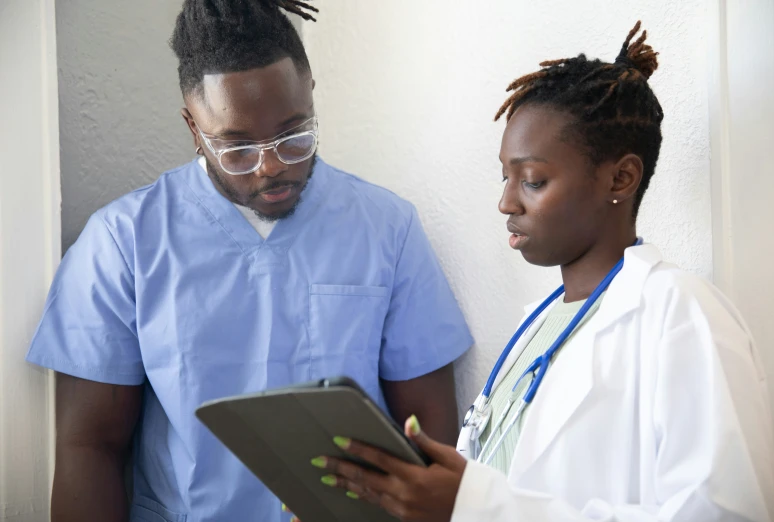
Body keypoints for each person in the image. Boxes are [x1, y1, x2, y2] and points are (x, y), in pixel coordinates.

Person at [300, 22, 774, 522]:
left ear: (621, 177)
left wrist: (478, 507)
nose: (506, 202)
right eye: (505, 177)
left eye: (532, 180)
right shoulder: (539, 327)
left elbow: (729, 513)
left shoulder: (681, 313)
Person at [25, 1, 473, 521]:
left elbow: (434, 438)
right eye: (237, 149)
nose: (270, 168)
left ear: (310, 96)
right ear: (194, 128)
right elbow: (90, 447)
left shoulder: (387, 228)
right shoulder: (123, 242)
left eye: (293, 136)